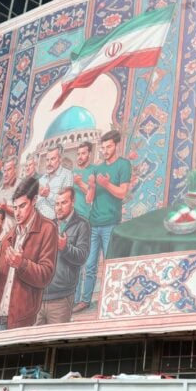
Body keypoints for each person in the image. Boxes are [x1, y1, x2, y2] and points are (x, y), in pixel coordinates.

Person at [0, 177, 58, 331]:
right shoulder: (8, 237)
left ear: (34, 201)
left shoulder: (48, 229)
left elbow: (46, 276)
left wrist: (21, 264)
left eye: (22, 206)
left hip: (21, 322)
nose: (17, 213)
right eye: (15, 207)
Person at [77, 130, 131, 313]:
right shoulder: (97, 168)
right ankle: (85, 300)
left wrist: (107, 184)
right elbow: (89, 199)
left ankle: (111, 300)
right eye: (103, 147)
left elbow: (122, 193)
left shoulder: (123, 165)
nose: (105, 151)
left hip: (111, 223)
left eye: (108, 147)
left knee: (111, 263)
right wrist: (92, 186)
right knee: (90, 265)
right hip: (94, 224)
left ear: (116, 146)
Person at [37, 188, 89, 325]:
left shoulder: (82, 225)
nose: (59, 208)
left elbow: (82, 257)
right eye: (57, 204)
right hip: (39, 297)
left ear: (73, 202)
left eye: (64, 203)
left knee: (56, 337)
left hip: (61, 299)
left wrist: (65, 248)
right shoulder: (48, 225)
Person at [36, 143, 74, 220]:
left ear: (60, 159)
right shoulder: (42, 179)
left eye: (52, 159)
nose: (49, 163)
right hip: (37, 220)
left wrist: (48, 194)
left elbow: (66, 202)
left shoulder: (67, 175)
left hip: (55, 222)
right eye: (47, 160)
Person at [72, 141, 95, 220]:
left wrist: (79, 183)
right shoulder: (73, 172)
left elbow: (93, 195)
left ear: (89, 154)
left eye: (83, 153)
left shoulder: (95, 170)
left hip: (85, 217)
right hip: (71, 215)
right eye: (78, 154)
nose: (80, 157)